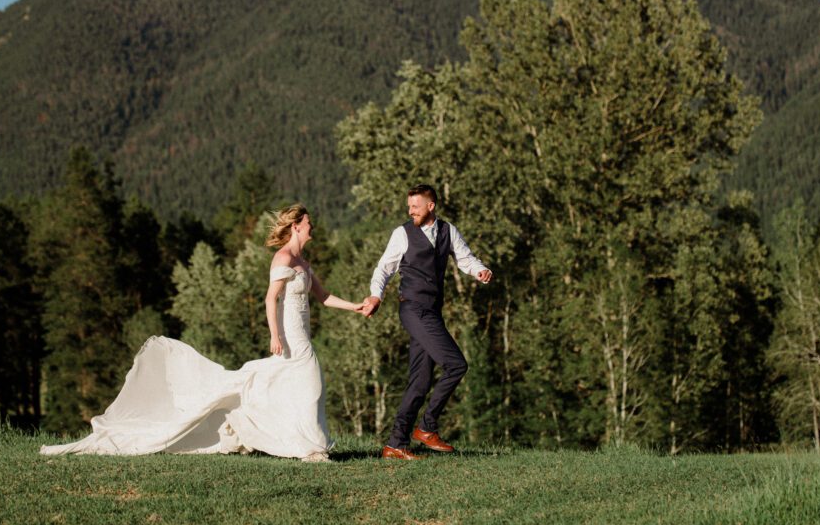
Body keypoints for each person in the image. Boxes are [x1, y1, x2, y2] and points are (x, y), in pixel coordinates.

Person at [40, 204, 364, 461]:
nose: (312, 227)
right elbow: (270, 298)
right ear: (296, 226)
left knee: (294, 387)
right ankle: (308, 447)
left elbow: (323, 297)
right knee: (311, 384)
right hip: (291, 337)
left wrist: (357, 307)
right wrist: (274, 335)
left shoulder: (303, 262)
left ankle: (298, 442)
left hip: (302, 334)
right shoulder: (283, 258)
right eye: (308, 223)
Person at [361, 185, 492, 460]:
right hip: (412, 309)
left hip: (432, 311)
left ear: (431, 206)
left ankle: (396, 443)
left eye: (415, 207)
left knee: (420, 382)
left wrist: (479, 270)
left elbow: (465, 258)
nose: (410, 212)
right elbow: (384, 268)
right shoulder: (402, 234)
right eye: (409, 207)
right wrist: (376, 296)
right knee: (456, 364)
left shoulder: (448, 230)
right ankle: (427, 428)